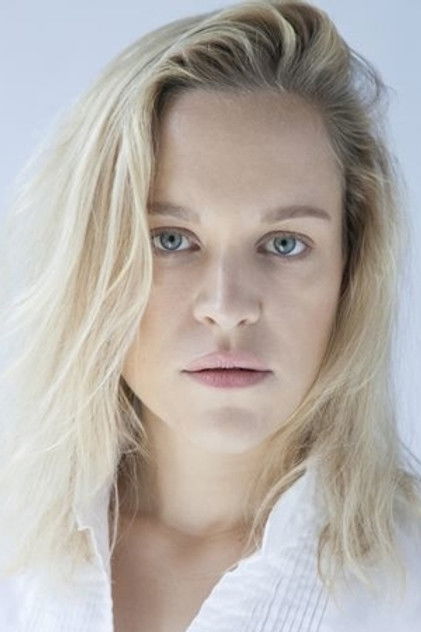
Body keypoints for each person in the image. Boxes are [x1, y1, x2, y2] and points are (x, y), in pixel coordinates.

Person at [0, 0, 420, 630]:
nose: (227, 307)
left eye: (285, 243)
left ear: (350, 270)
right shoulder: (15, 557)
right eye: (170, 239)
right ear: (91, 261)